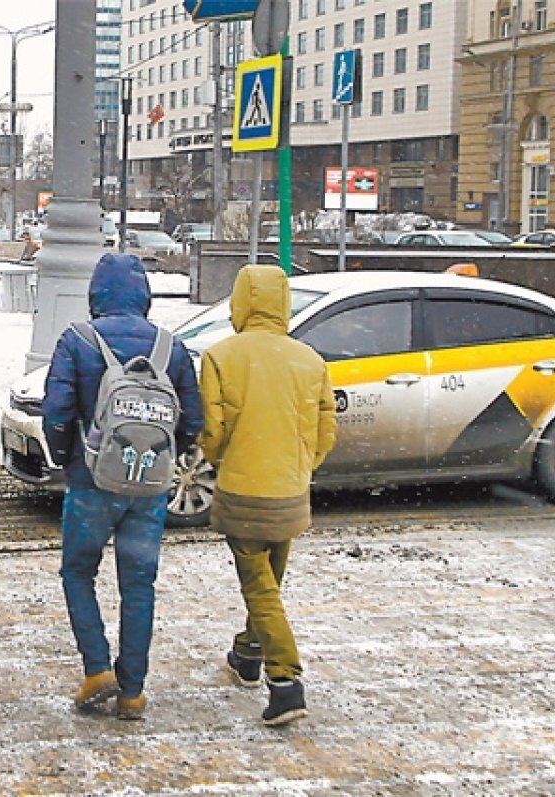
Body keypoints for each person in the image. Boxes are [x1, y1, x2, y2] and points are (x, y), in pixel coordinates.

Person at [41, 252, 203, 720]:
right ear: (144, 294)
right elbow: (191, 420)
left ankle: (96, 669)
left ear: (95, 293)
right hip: (148, 486)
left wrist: (66, 457)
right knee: (138, 584)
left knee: (77, 572)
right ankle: (132, 690)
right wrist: (163, 455)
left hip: (91, 480)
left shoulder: (77, 339)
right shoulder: (170, 347)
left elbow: (56, 410)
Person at [196, 265, 337, 727]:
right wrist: (299, 466)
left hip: (243, 487)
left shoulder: (220, 357)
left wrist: (224, 460)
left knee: (259, 586)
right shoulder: (310, 360)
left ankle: (285, 681)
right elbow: (325, 432)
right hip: (290, 488)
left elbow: (212, 431)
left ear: (239, 302)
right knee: (269, 585)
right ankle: (248, 654)